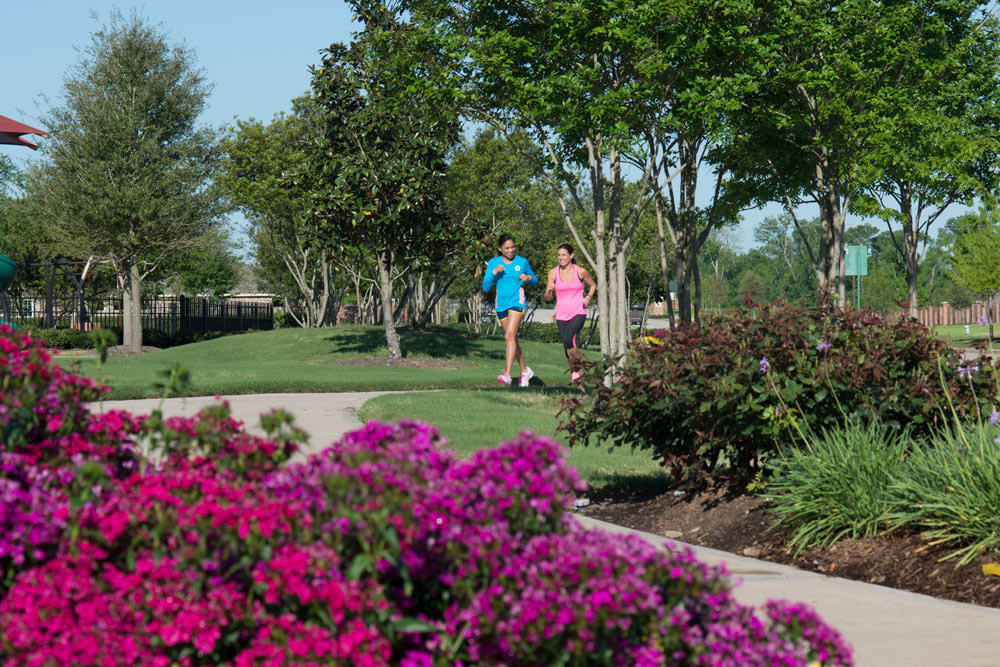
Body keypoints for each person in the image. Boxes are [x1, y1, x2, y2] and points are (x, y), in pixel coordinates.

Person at [482, 234, 538, 386]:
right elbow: (485, 287)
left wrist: (529, 278)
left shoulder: (522, 262)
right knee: (511, 339)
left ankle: (507, 374)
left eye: (512, 247)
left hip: (517, 302)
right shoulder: (494, 263)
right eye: (507, 248)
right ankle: (525, 371)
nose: (511, 250)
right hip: (501, 305)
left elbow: (535, 280)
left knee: (509, 336)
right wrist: (494, 273)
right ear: (500, 249)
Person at [544, 243, 596, 383]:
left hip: (578, 312)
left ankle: (577, 370)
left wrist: (588, 297)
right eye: (559, 255)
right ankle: (576, 373)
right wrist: (549, 289)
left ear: (571, 256)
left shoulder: (580, 271)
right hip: (561, 314)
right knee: (567, 343)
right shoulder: (553, 273)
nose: (561, 258)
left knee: (568, 339)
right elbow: (547, 299)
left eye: (564, 255)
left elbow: (593, 285)